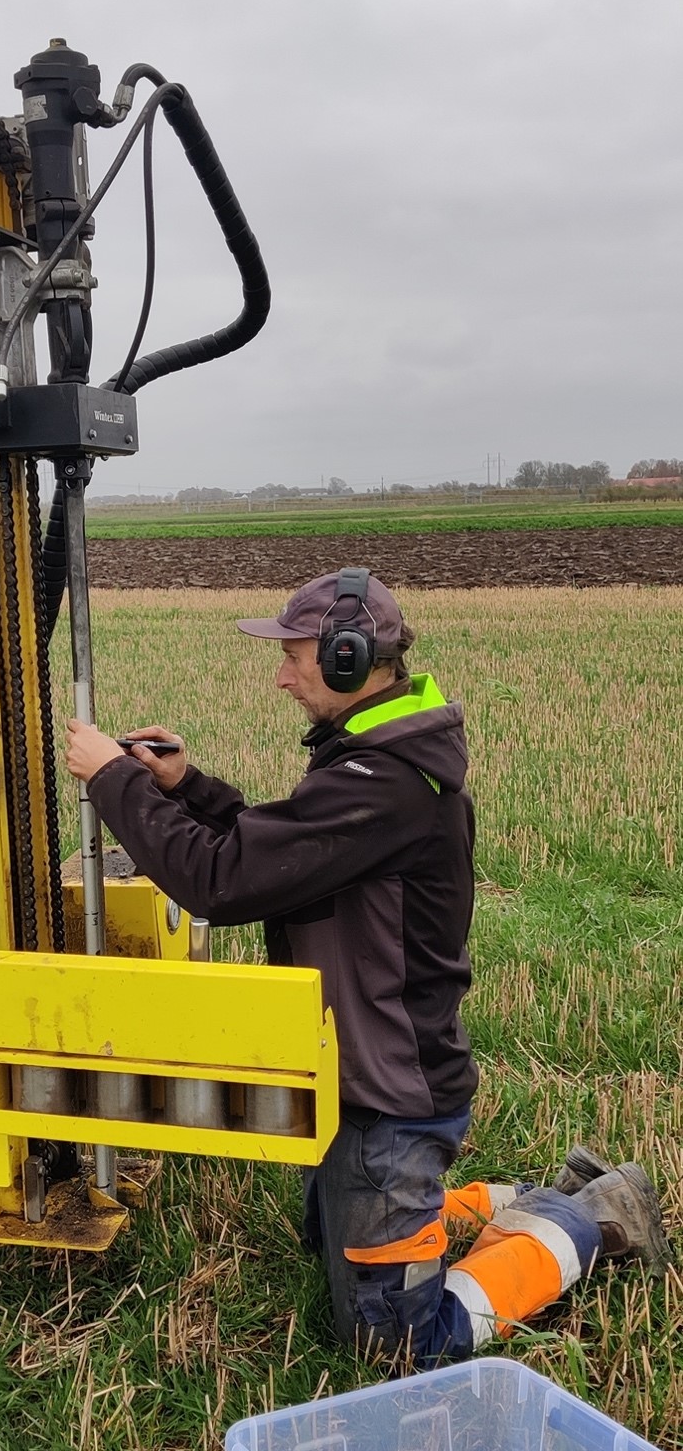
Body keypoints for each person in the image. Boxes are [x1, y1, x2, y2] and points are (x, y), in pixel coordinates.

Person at [65, 569, 670, 1365]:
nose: (281, 675)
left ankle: (593, 1218)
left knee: (394, 1341)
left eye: (296, 656)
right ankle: (523, 1201)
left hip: (393, 1096)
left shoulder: (383, 783)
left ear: (351, 658)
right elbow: (285, 850)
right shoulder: (371, 762)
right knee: (329, 1240)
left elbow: (222, 880)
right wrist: (187, 787)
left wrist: (112, 778)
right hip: (358, 1075)